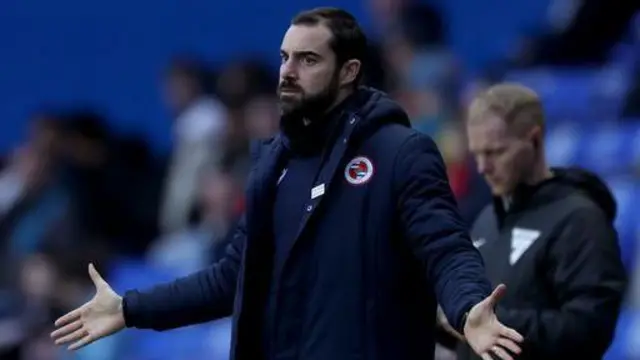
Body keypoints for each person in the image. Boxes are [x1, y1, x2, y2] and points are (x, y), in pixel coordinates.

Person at [51, 8, 523, 360]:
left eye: (307, 59)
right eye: (284, 58)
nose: (288, 72)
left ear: (348, 72)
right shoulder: (274, 167)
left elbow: (446, 249)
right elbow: (230, 278)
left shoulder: (401, 153)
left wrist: (467, 308)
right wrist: (130, 309)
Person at [438, 83, 627, 360]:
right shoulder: (486, 217)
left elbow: (589, 330)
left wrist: (493, 323)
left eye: (495, 152)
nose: (482, 167)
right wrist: (450, 319)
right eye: (477, 154)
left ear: (535, 140)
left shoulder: (581, 220)